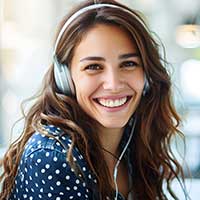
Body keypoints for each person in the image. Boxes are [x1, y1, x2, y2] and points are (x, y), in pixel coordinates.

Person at [0, 0, 189, 199]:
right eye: (93, 67)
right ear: (65, 77)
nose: (113, 84)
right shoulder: (54, 156)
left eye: (129, 64)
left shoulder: (134, 141)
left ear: (148, 76)